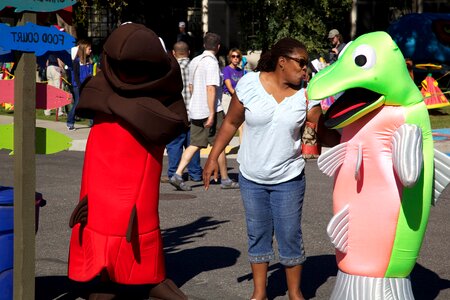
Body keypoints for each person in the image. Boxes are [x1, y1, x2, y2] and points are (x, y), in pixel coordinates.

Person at [202, 38, 341, 300]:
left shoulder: (306, 95)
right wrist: (212, 157)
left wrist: (356, 135)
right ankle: (259, 293)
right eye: (301, 63)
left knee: (290, 235)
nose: (305, 69)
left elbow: (324, 134)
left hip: (288, 178)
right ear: (282, 62)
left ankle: (295, 293)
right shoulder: (249, 84)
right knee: (258, 234)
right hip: (251, 177)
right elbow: (231, 122)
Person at [67, 23, 189, 299]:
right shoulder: (103, 88)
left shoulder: (154, 95)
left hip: (135, 155)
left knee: (137, 212)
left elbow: (172, 120)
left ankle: (144, 274)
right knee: (99, 210)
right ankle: (104, 273)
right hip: (106, 153)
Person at [169, 32, 239, 191]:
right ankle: (226, 179)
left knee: (194, 143)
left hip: (196, 108)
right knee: (219, 144)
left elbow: (192, 87)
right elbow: (211, 88)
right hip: (212, 109)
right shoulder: (212, 63)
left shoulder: (195, 61)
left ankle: (178, 174)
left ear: (204, 45)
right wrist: (212, 113)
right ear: (218, 47)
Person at [163, 41, 203, 183]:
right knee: (193, 143)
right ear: (189, 52)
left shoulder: (169, 69)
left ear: (173, 53)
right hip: (194, 112)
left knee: (175, 145)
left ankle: (173, 173)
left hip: (176, 112)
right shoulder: (196, 67)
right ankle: (196, 173)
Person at [66, 40, 94, 130]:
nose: (91, 50)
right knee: (77, 103)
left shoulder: (90, 61)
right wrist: (79, 85)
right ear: (83, 49)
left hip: (88, 85)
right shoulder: (76, 61)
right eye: (89, 49)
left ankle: (92, 122)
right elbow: (76, 75)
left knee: (90, 103)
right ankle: (70, 122)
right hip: (78, 86)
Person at [221, 48, 245, 114]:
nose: (235, 58)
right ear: (230, 58)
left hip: (238, 98)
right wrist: (239, 98)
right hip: (228, 97)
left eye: (237, 56)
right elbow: (230, 88)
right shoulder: (226, 70)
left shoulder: (240, 71)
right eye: (233, 56)